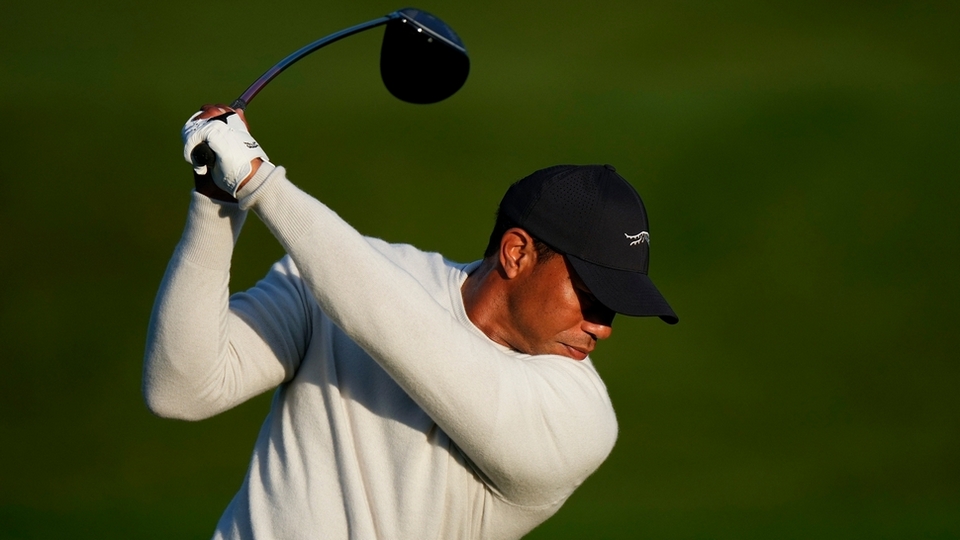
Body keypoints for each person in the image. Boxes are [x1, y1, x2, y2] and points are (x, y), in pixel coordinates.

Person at [143, 104, 678, 540]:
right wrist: (216, 204)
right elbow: (181, 389)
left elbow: (408, 338)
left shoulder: (580, 419)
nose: (602, 326)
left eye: (613, 309)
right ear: (517, 254)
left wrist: (263, 184)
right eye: (590, 296)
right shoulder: (339, 275)